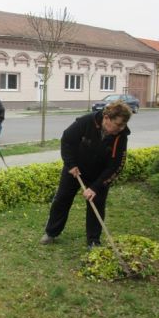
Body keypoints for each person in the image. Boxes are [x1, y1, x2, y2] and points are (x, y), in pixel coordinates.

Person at [39, 100, 132, 249]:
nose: (121, 128)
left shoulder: (121, 136)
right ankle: (51, 232)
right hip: (75, 170)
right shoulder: (86, 122)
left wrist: (95, 187)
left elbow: (116, 166)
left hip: (99, 175)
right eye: (119, 124)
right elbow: (67, 140)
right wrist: (70, 164)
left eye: (123, 125)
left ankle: (93, 241)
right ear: (107, 118)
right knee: (62, 199)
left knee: (97, 204)